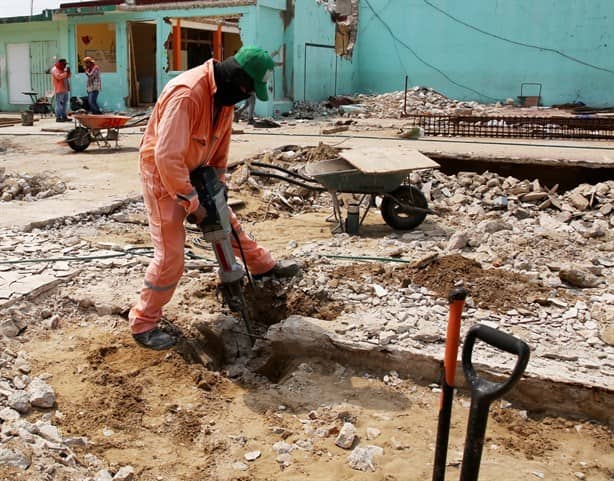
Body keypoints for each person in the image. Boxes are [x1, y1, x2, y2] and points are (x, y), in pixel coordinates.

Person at [129, 46, 298, 350]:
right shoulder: (187, 94)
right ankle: (144, 322)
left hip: (195, 168)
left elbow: (220, 152)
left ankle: (261, 266)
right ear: (235, 76)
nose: (246, 97)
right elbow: (166, 157)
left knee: (226, 222)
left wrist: (216, 189)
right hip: (162, 174)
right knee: (171, 256)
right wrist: (192, 202)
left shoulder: (225, 97)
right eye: (247, 90)